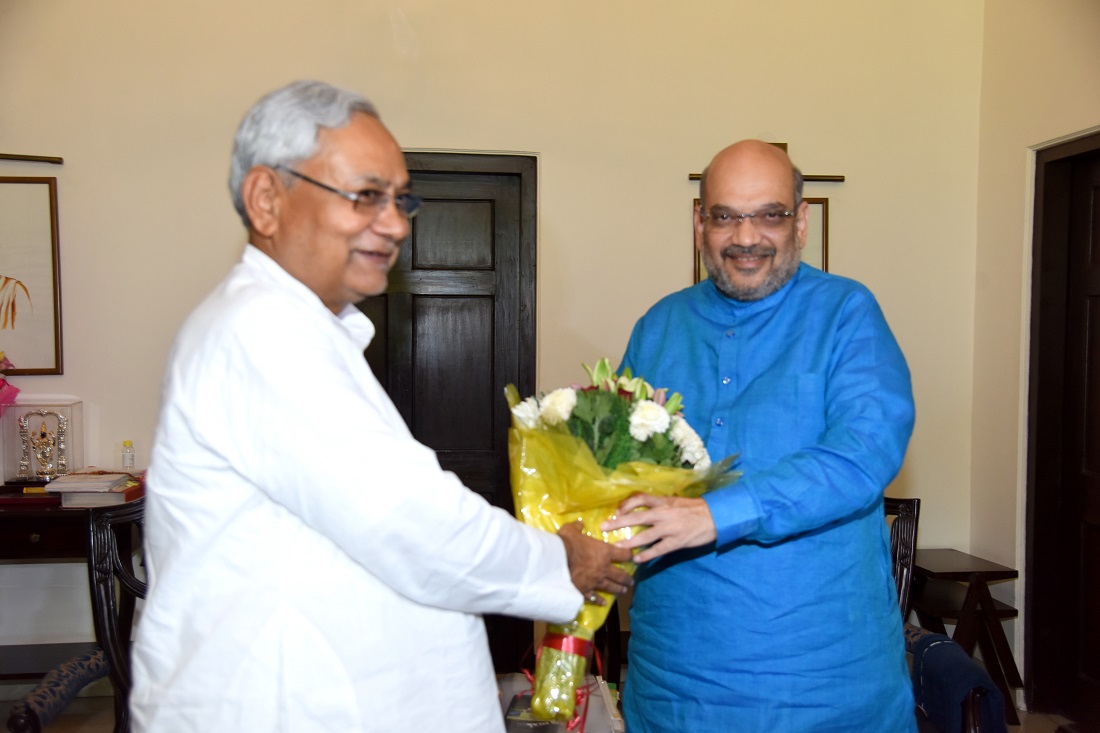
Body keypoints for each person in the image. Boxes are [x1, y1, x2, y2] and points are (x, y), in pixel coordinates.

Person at [129, 80, 633, 733]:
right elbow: (415, 525)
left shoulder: (294, 328)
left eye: (400, 199)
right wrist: (563, 561)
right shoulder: (262, 332)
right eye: (366, 196)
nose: (395, 223)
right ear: (266, 199)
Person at [601, 140, 916, 731]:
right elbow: (621, 464)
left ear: (800, 221)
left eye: (769, 214)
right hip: (672, 681)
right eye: (725, 215)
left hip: (820, 683)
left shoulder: (847, 312)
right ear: (700, 223)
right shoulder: (660, 324)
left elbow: (864, 453)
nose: (746, 237)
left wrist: (716, 514)